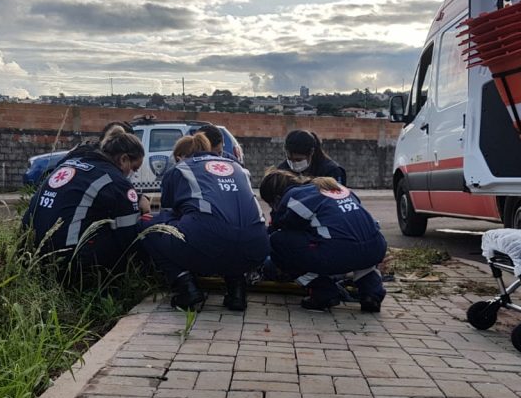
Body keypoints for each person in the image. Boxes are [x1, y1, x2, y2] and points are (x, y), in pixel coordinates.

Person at [140, 133, 269, 311]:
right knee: (232, 226)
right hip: (256, 247)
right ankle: (237, 290)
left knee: (151, 224)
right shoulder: (238, 168)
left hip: (207, 244)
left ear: (179, 156)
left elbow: (169, 209)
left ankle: (185, 286)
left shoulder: (181, 169)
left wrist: (149, 206)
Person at [21, 126, 145, 282]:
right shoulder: (117, 182)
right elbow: (129, 239)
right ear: (123, 159)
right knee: (120, 234)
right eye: (134, 168)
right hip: (68, 266)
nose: (133, 173)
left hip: (28, 254)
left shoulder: (72, 162)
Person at [259, 169, 386, 312]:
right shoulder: (335, 187)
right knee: (362, 257)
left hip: (339, 252)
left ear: (276, 198)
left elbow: (281, 227)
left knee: (278, 243)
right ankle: (372, 294)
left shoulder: (294, 196)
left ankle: (323, 292)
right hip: (376, 246)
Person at [276, 130, 347, 184]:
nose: (293, 163)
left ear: (311, 153)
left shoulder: (331, 172)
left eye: (299, 160)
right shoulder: (282, 170)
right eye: (289, 159)